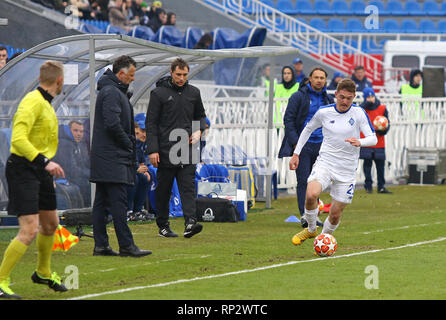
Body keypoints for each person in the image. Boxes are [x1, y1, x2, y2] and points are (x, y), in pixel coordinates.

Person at [0, 61, 68, 299]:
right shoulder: (32, 101)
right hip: (23, 169)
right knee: (29, 230)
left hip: (40, 170)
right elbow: (17, 140)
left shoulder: (47, 104)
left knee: (50, 224)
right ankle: (0, 281)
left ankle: (43, 272)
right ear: (59, 81)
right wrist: (45, 162)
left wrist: (45, 165)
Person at [289, 78, 377, 245]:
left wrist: (360, 142)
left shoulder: (358, 113)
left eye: (349, 98)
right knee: (311, 194)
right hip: (326, 162)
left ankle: (323, 239)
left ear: (354, 97)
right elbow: (307, 129)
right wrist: (296, 154)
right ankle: (311, 229)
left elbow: (372, 138)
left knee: (336, 214)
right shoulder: (324, 112)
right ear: (336, 94)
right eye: (342, 97)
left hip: (347, 169)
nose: (345, 101)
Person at [90, 55, 151, 258]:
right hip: (112, 157)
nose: (133, 79)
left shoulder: (113, 91)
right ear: (121, 73)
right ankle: (126, 245)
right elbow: (112, 124)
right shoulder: (111, 92)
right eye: (131, 75)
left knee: (102, 202)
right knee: (118, 202)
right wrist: (128, 143)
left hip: (107, 157)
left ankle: (101, 245)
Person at [146, 58, 207, 238]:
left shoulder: (194, 93)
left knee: (188, 187)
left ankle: (190, 223)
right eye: (178, 74)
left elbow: (201, 116)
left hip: (187, 148)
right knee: (164, 189)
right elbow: (151, 123)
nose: (181, 78)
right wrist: (153, 150)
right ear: (171, 73)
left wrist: (199, 131)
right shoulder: (158, 94)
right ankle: (163, 226)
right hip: (165, 149)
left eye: (185, 74)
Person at [278, 67, 334, 228]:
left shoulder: (328, 99)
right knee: (303, 181)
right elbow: (288, 120)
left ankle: (314, 214)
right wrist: (296, 142)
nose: (319, 80)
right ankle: (305, 215)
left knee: (316, 182)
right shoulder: (298, 97)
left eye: (322, 78)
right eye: (316, 77)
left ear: (325, 80)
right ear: (310, 79)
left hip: (322, 146)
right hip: (303, 146)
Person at [359, 88, 392, 194]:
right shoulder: (362, 109)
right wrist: (365, 105)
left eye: (372, 97)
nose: (370, 99)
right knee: (367, 164)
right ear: (365, 98)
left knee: (380, 165)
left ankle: (381, 186)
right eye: (368, 97)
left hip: (379, 141)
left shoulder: (382, 108)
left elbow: (387, 123)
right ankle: (368, 185)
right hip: (367, 140)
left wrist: (383, 130)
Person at [53, 120, 91, 206]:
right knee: (88, 186)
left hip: (72, 177)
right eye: (75, 130)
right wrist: (89, 173)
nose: (79, 134)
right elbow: (70, 169)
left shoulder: (77, 144)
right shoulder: (65, 144)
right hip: (64, 179)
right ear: (69, 130)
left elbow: (82, 163)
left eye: (81, 131)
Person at [127, 115, 154, 221]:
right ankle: (128, 211)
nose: (142, 134)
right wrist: (137, 169)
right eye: (138, 133)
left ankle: (138, 210)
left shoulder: (140, 145)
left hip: (133, 170)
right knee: (135, 178)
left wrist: (144, 170)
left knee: (147, 176)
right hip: (125, 172)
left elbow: (142, 162)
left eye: (143, 131)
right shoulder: (130, 143)